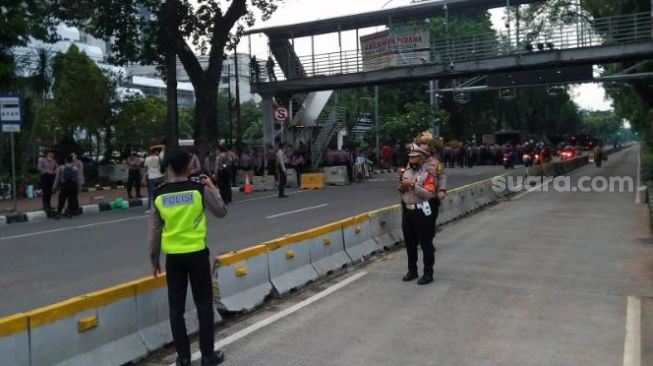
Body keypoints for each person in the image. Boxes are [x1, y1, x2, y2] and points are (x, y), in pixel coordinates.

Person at [148, 149, 227, 366]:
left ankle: (183, 359)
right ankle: (208, 356)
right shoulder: (198, 190)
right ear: (190, 166)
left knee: (176, 309)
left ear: (170, 168)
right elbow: (221, 211)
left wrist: (154, 261)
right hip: (197, 255)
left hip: (173, 258)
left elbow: (154, 233)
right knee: (203, 304)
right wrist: (213, 188)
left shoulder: (159, 193)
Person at [399, 145, 437, 285]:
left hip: (421, 211)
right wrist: (402, 188)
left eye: (414, 157)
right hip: (408, 211)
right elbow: (401, 190)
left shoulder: (428, 175)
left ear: (421, 159)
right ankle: (412, 270)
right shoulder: (406, 173)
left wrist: (413, 186)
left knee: (426, 243)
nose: (411, 159)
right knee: (409, 243)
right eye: (410, 157)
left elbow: (429, 193)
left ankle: (428, 273)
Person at [53, 154, 80, 219]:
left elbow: (57, 178)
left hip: (64, 186)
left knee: (61, 200)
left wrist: (54, 187)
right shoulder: (75, 168)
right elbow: (77, 179)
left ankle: (58, 213)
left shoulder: (61, 167)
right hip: (72, 186)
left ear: (65, 160)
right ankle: (69, 213)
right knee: (71, 200)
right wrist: (78, 188)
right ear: (72, 160)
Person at [144, 145, 166, 212]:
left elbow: (146, 170)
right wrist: (154, 146)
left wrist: (145, 179)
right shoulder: (159, 157)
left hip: (151, 177)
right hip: (160, 176)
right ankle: (162, 206)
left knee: (151, 194)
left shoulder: (147, 159)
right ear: (156, 151)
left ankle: (149, 209)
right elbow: (164, 147)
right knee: (161, 192)